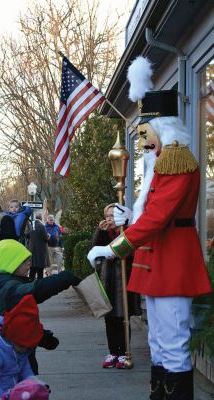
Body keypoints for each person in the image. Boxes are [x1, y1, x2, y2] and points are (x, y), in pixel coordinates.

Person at [87, 56, 212, 399]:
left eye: (145, 132)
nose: (142, 142)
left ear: (163, 128)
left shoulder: (176, 161)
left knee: (171, 343)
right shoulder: (164, 164)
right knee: (159, 342)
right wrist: (130, 218)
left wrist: (113, 247)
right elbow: (155, 214)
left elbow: (158, 218)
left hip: (171, 261)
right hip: (159, 260)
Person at [92, 204, 141, 369]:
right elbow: (95, 249)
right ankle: (113, 352)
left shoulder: (127, 232)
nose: (109, 219)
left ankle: (124, 352)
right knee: (109, 318)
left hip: (123, 281)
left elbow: (129, 252)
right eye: (107, 216)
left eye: (112, 216)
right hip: (108, 280)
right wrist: (101, 232)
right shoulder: (105, 232)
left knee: (122, 318)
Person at [0, 239, 81, 316]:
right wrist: (64, 278)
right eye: (23, 261)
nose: (29, 263)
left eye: (29, 259)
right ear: (10, 264)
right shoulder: (9, 287)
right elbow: (36, 290)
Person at [0, 294, 44, 397]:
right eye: (22, 346)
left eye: (28, 347)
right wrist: (2, 397)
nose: (25, 350)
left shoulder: (21, 349)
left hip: (14, 393)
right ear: (11, 338)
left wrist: (34, 384)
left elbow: (25, 369)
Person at [28, 213, 50, 280]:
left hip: (31, 249)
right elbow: (45, 238)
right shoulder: (41, 225)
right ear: (41, 218)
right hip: (40, 250)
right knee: (40, 270)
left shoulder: (31, 225)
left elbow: (27, 235)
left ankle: (30, 284)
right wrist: (48, 236)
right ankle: (39, 285)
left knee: (32, 269)